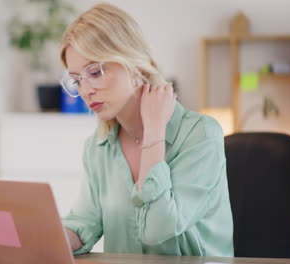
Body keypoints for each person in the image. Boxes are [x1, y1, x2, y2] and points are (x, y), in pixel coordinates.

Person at [59, 3, 234, 257]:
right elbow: (84, 222)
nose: (85, 91)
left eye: (95, 72)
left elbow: (157, 228)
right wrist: (43, 238)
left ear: (134, 65)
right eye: (77, 80)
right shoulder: (98, 147)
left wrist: (154, 130)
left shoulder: (201, 135)